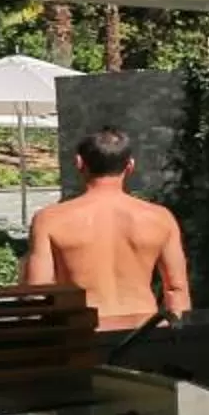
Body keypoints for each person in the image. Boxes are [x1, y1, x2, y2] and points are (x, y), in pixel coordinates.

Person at [23, 127, 191, 331]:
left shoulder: (50, 220)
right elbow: (176, 289)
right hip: (142, 334)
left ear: (79, 163)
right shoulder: (160, 218)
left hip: (82, 332)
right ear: (130, 166)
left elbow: (37, 293)